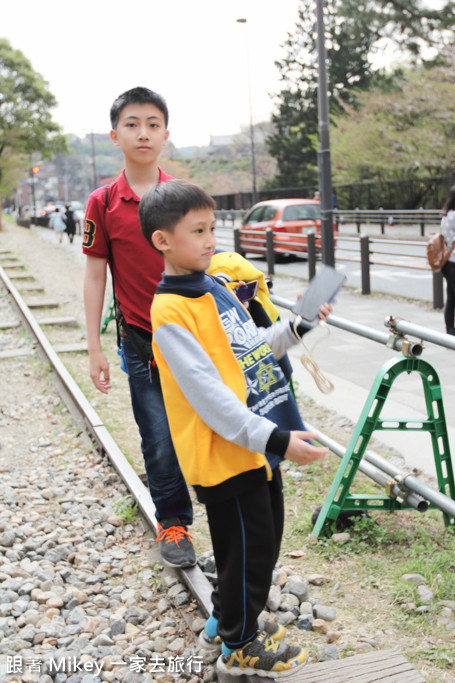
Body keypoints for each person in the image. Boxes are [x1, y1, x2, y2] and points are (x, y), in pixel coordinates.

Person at [139, 179, 330, 679]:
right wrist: (278, 440)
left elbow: (250, 349)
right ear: (163, 240)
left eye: (213, 228)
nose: (209, 240)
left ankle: (228, 617)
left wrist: (296, 327)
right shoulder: (171, 311)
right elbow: (210, 398)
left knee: (259, 544)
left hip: (253, 444)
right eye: (198, 231)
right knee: (246, 549)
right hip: (226, 452)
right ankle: (239, 644)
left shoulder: (216, 288)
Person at [82, 87, 195, 568]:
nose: (143, 132)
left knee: (211, 425)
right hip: (140, 340)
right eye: (132, 124)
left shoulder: (186, 197)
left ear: (166, 135)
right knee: (157, 434)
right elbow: (94, 274)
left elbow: (210, 262)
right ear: (115, 135)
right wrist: (93, 348)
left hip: (196, 336)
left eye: (153, 124)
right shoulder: (102, 202)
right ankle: (173, 523)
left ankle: (231, 509)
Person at [441, 186, 455, 335]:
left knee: (451, 297)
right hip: (453, 262)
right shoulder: (454, 216)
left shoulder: (446, 215)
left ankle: (450, 330)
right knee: (451, 297)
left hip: (448, 263)